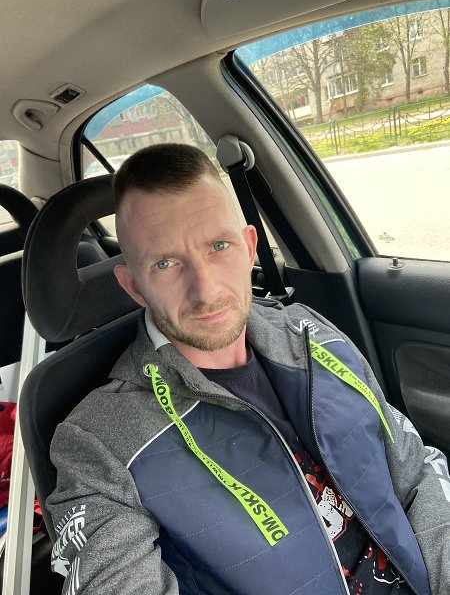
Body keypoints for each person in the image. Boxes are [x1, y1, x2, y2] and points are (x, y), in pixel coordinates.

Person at [48, 143, 450, 595]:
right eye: (165, 263)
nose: (205, 290)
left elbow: (416, 471)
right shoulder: (99, 441)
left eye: (218, 246)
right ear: (134, 286)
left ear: (250, 247)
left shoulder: (311, 334)